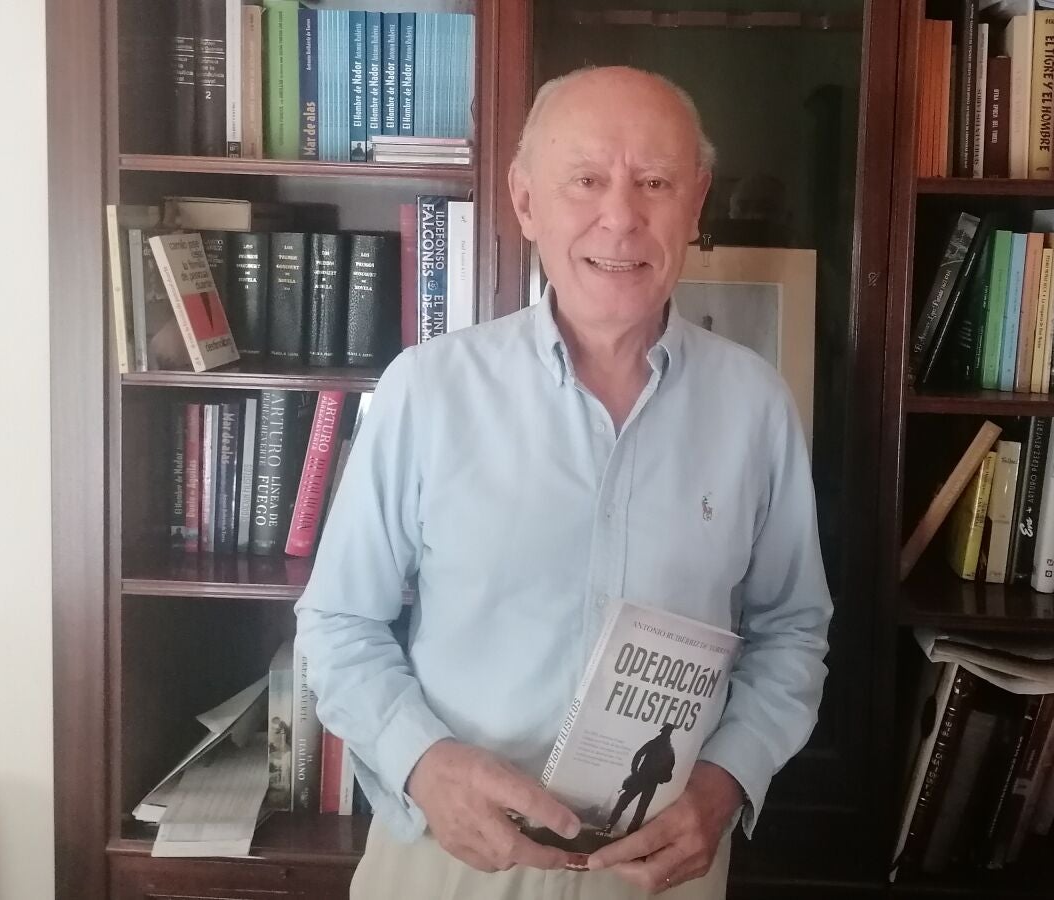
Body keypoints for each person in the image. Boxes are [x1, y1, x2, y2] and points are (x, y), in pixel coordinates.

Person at [294, 65, 833, 900]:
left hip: (661, 868)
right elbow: (337, 623)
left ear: (696, 203)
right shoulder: (427, 392)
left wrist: (728, 780)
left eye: (655, 183)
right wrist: (421, 763)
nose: (620, 217)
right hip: (450, 861)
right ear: (525, 201)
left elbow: (791, 632)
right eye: (585, 180)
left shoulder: (755, 406)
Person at [606, 723, 680, 836]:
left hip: (645, 779)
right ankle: (614, 828)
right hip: (645, 779)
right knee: (631, 804)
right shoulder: (665, 749)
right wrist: (635, 771)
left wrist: (635, 771)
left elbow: (668, 772)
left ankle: (617, 829)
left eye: (666, 732)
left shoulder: (662, 747)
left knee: (634, 806)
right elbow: (639, 755)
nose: (665, 734)